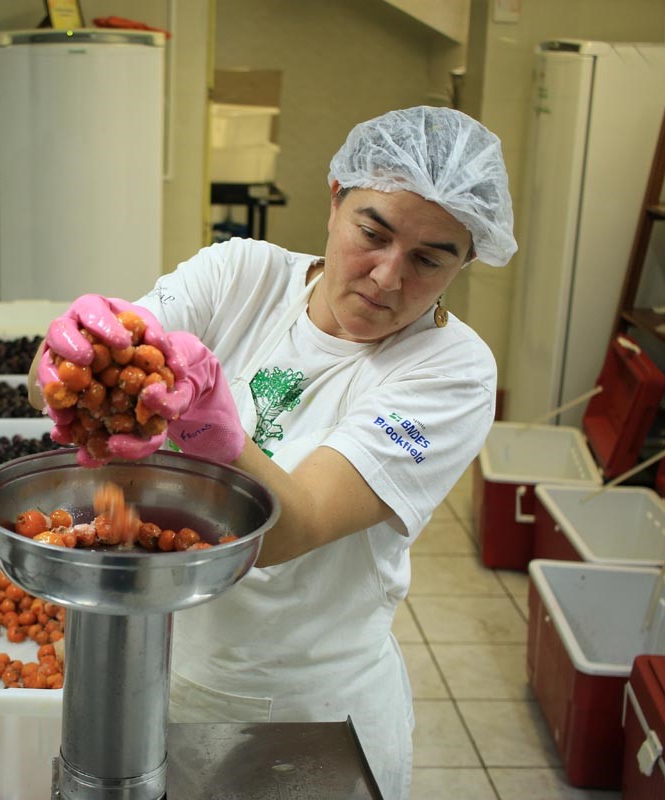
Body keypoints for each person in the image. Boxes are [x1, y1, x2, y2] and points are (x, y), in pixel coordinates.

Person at [33, 106, 516, 799]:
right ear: (334, 197)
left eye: (429, 260)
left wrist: (210, 427)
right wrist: (65, 357)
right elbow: (80, 374)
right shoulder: (243, 274)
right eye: (372, 233)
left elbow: (295, 528)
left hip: (306, 715)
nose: (385, 277)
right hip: (151, 671)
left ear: (465, 262)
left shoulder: (452, 372)